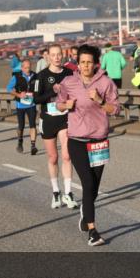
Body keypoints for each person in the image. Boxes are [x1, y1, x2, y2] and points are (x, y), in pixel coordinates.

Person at [56, 43, 120, 247]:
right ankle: (92, 230)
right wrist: (65, 105)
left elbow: (115, 110)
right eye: (81, 62)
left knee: (94, 187)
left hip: (99, 141)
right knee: (88, 183)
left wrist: (100, 101)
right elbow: (57, 104)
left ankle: (85, 213)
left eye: (88, 62)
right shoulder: (68, 82)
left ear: (96, 64)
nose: (84, 66)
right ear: (78, 63)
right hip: (76, 140)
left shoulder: (106, 83)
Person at [33, 43, 77, 210]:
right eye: (53, 54)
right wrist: (52, 91)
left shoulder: (69, 73)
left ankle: (68, 193)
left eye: (59, 54)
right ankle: (56, 192)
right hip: (48, 119)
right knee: (53, 158)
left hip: (65, 118)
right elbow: (36, 99)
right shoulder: (41, 76)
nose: (57, 57)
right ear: (48, 57)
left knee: (67, 156)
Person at [7, 59, 38, 155]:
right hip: (20, 105)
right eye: (25, 68)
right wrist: (19, 95)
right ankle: (20, 141)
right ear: (22, 68)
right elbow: (8, 89)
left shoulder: (35, 76)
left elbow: (38, 88)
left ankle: (33, 146)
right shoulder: (16, 76)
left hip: (31, 104)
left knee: (33, 124)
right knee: (21, 126)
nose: (27, 70)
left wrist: (35, 94)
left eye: (29, 67)